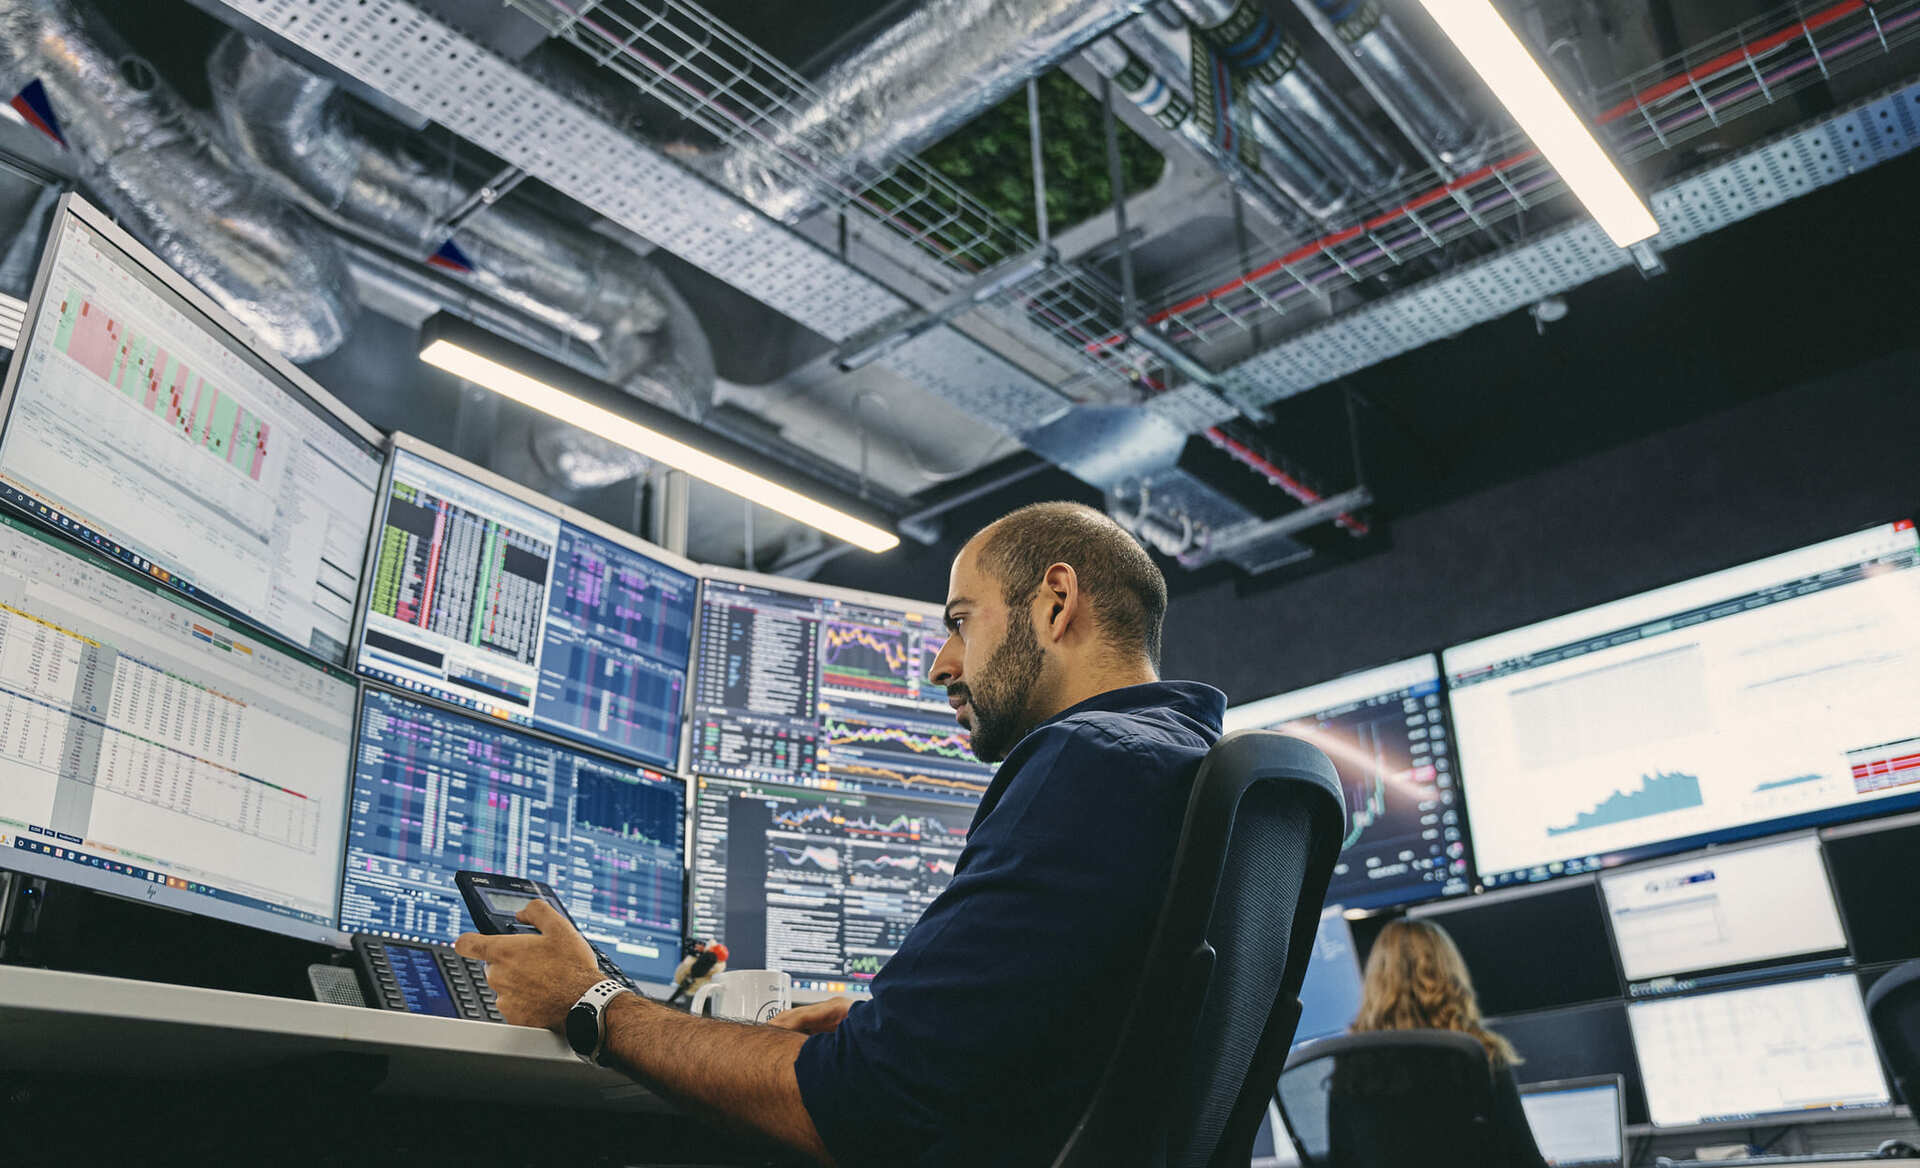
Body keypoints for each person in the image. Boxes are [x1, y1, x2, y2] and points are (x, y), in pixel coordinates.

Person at [456, 501, 1228, 1166]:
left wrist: (591, 1002)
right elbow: (1082, 1042)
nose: (941, 665)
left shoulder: (1084, 763)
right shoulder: (1182, 764)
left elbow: (861, 1110)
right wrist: (900, 1029)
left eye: (960, 622)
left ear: (1055, 602)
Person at [1333, 919, 1548, 1168]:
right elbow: (1524, 1160)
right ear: (1450, 975)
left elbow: (1337, 1161)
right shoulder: (1478, 1056)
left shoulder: (1351, 1067)